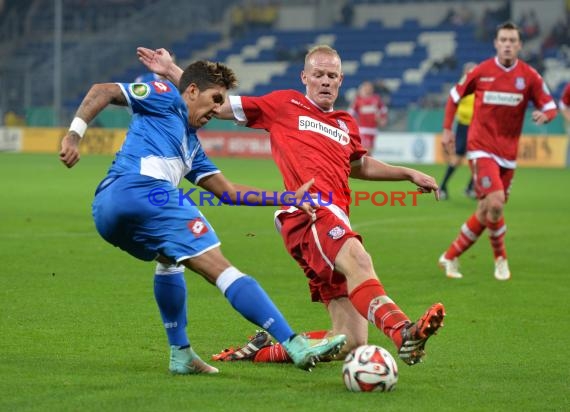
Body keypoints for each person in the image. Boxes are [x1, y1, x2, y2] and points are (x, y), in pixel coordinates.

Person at [137, 45, 445, 366]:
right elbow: (220, 103)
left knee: (351, 341)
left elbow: (359, 166)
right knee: (359, 259)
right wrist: (173, 70)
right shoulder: (284, 104)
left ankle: (262, 352)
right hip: (309, 212)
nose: (325, 81)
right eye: (318, 75)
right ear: (305, 77)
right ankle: (403, 332)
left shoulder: (344, 123)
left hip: (335, 218)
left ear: (341, 80)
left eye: (332, 76)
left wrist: (408, 173)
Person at [58, 60, 347, 375]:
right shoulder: (166, 94)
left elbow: (229, 192)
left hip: (107, 209)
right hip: (143, 191)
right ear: (192, 90)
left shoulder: (192, 148)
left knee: (168, 259)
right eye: (215, 100)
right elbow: (104, 90)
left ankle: (180, 353)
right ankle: (294, 343)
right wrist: (74, 136)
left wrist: (288, 198)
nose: (216, 111)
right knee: (221, 268)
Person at [438, 22, 557, 281]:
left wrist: (545, 115)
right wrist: (447, 130)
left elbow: (551, 105)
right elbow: (454, 96)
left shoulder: (529, 76)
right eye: (503, 39)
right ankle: (501, 260)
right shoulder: (481, 71)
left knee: (487, 210)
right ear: (496, 43)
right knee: (495, 202)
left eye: (512, 40)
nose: (507, 44)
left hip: (509, 154)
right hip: (481, 148)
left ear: (519, 45)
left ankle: (450, 256)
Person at [439, 62, 477, 201]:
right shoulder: (461, 88)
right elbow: (452, 105)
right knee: (458, 158)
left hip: (478, 128)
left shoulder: (481, 88)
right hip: (464, 126)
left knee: (479, 159)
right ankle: (442, 187)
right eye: (470, 71)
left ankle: (470, 188)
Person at [347, 80, 388, 151]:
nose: (369, 89)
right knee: (365, 149)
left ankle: (367, 161)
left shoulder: (376, 98)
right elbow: (350, 112)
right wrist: (353, 123)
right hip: (363, 129)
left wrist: (383, 119)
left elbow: (383, 110)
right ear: (363, 88)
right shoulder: (358, 100)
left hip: (373, 129)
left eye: (370, 87)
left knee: (371, 150)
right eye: (366, 87)